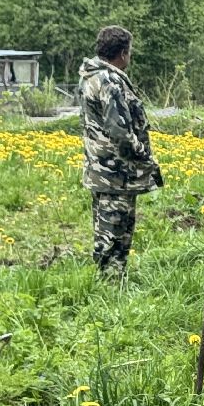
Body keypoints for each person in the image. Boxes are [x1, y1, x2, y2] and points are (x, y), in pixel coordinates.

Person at [80, 25, 160, 275]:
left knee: (108, 234)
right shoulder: (110, 82)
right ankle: (109, 292)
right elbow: (120, 133)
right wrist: (145, 156)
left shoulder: (91, 76)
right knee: (115, 238)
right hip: (116, 174)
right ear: (123, 53)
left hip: (102, 170)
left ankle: (112, 286)